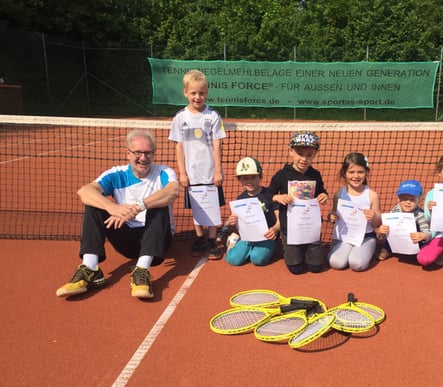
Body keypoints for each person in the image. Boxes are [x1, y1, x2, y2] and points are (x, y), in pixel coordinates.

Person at [56, 129, 179, 299]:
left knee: (159, 205)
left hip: (158, 241)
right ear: (127, 153)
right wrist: (111, 208)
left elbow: (173, 191)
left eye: (148, 153)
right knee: (94, 205)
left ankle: (142, 270)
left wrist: (138, 206)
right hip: (127, 240)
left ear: (153, 153)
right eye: (137, 152)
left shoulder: (164, 172)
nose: (143, 158)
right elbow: (84, 191)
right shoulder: (115, 174)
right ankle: (90, 268)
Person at [169, 69, 226, 260]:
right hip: (191, 175)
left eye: (201, 93)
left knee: (212, 207)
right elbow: (178, 146)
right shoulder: (179, 118)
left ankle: (211, 241)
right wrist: (182, 173)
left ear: (206, 93)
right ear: (185, 92)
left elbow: (217, 145)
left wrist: (218, 170)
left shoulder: (213, 116)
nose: (197, 97)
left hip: (210, 174)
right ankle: (200, 238)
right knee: (197, 208)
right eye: (193, 93)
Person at [267, 131, 329, 275]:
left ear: (315, 154)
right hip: (290, 226)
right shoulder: (282, 175)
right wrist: (278, 198)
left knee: (316, 268)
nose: (304, 158)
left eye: (309, 155)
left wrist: (323, 195)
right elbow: (268, 194)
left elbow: (321, 191)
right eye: (300, 153)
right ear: (290, 152)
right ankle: (290, 248)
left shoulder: (315, 175)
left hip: (310, 225)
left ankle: (308, 249)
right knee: (296, 269)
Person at [327, 152, 381, 271]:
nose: (356, 176)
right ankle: (344, 249)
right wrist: (332, 216)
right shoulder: (339, 194)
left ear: (366, 172)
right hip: (346, 238)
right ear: (344, 173)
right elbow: (332, 215)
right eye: (351, 172)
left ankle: (369, 249)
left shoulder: (372, 195)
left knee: (356, 264)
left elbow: (377, 223)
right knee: (336, 263)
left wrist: (373, 216)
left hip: (366, 238)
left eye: (360, 172)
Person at [225, 157, 280, 266]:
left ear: (260, 177)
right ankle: (232, 242)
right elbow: (238, 225)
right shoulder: (240, 199)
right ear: (239, 180)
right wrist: (233, 222)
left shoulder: (269, 194)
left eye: (253, 177)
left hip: (267, 237)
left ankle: (263, 250)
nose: (249, 181)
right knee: (233, 260)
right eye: (245, 178)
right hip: (247, 237)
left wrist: (275, 229)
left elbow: (280, 218)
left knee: (257, 259)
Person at [377, 179, 431, 261]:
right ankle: (387, 249)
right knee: (389, 231)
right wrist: (381, 231)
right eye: (404, 199)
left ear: (419, 200)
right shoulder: (394, 210)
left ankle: (417, 251)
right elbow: (386, 230)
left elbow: (428, 232)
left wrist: (423, 236)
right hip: (398, 239)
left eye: (412, 199)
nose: (408, 202)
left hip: (414, 241)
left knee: (424, 247)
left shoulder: (420, 215)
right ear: (398, 199)